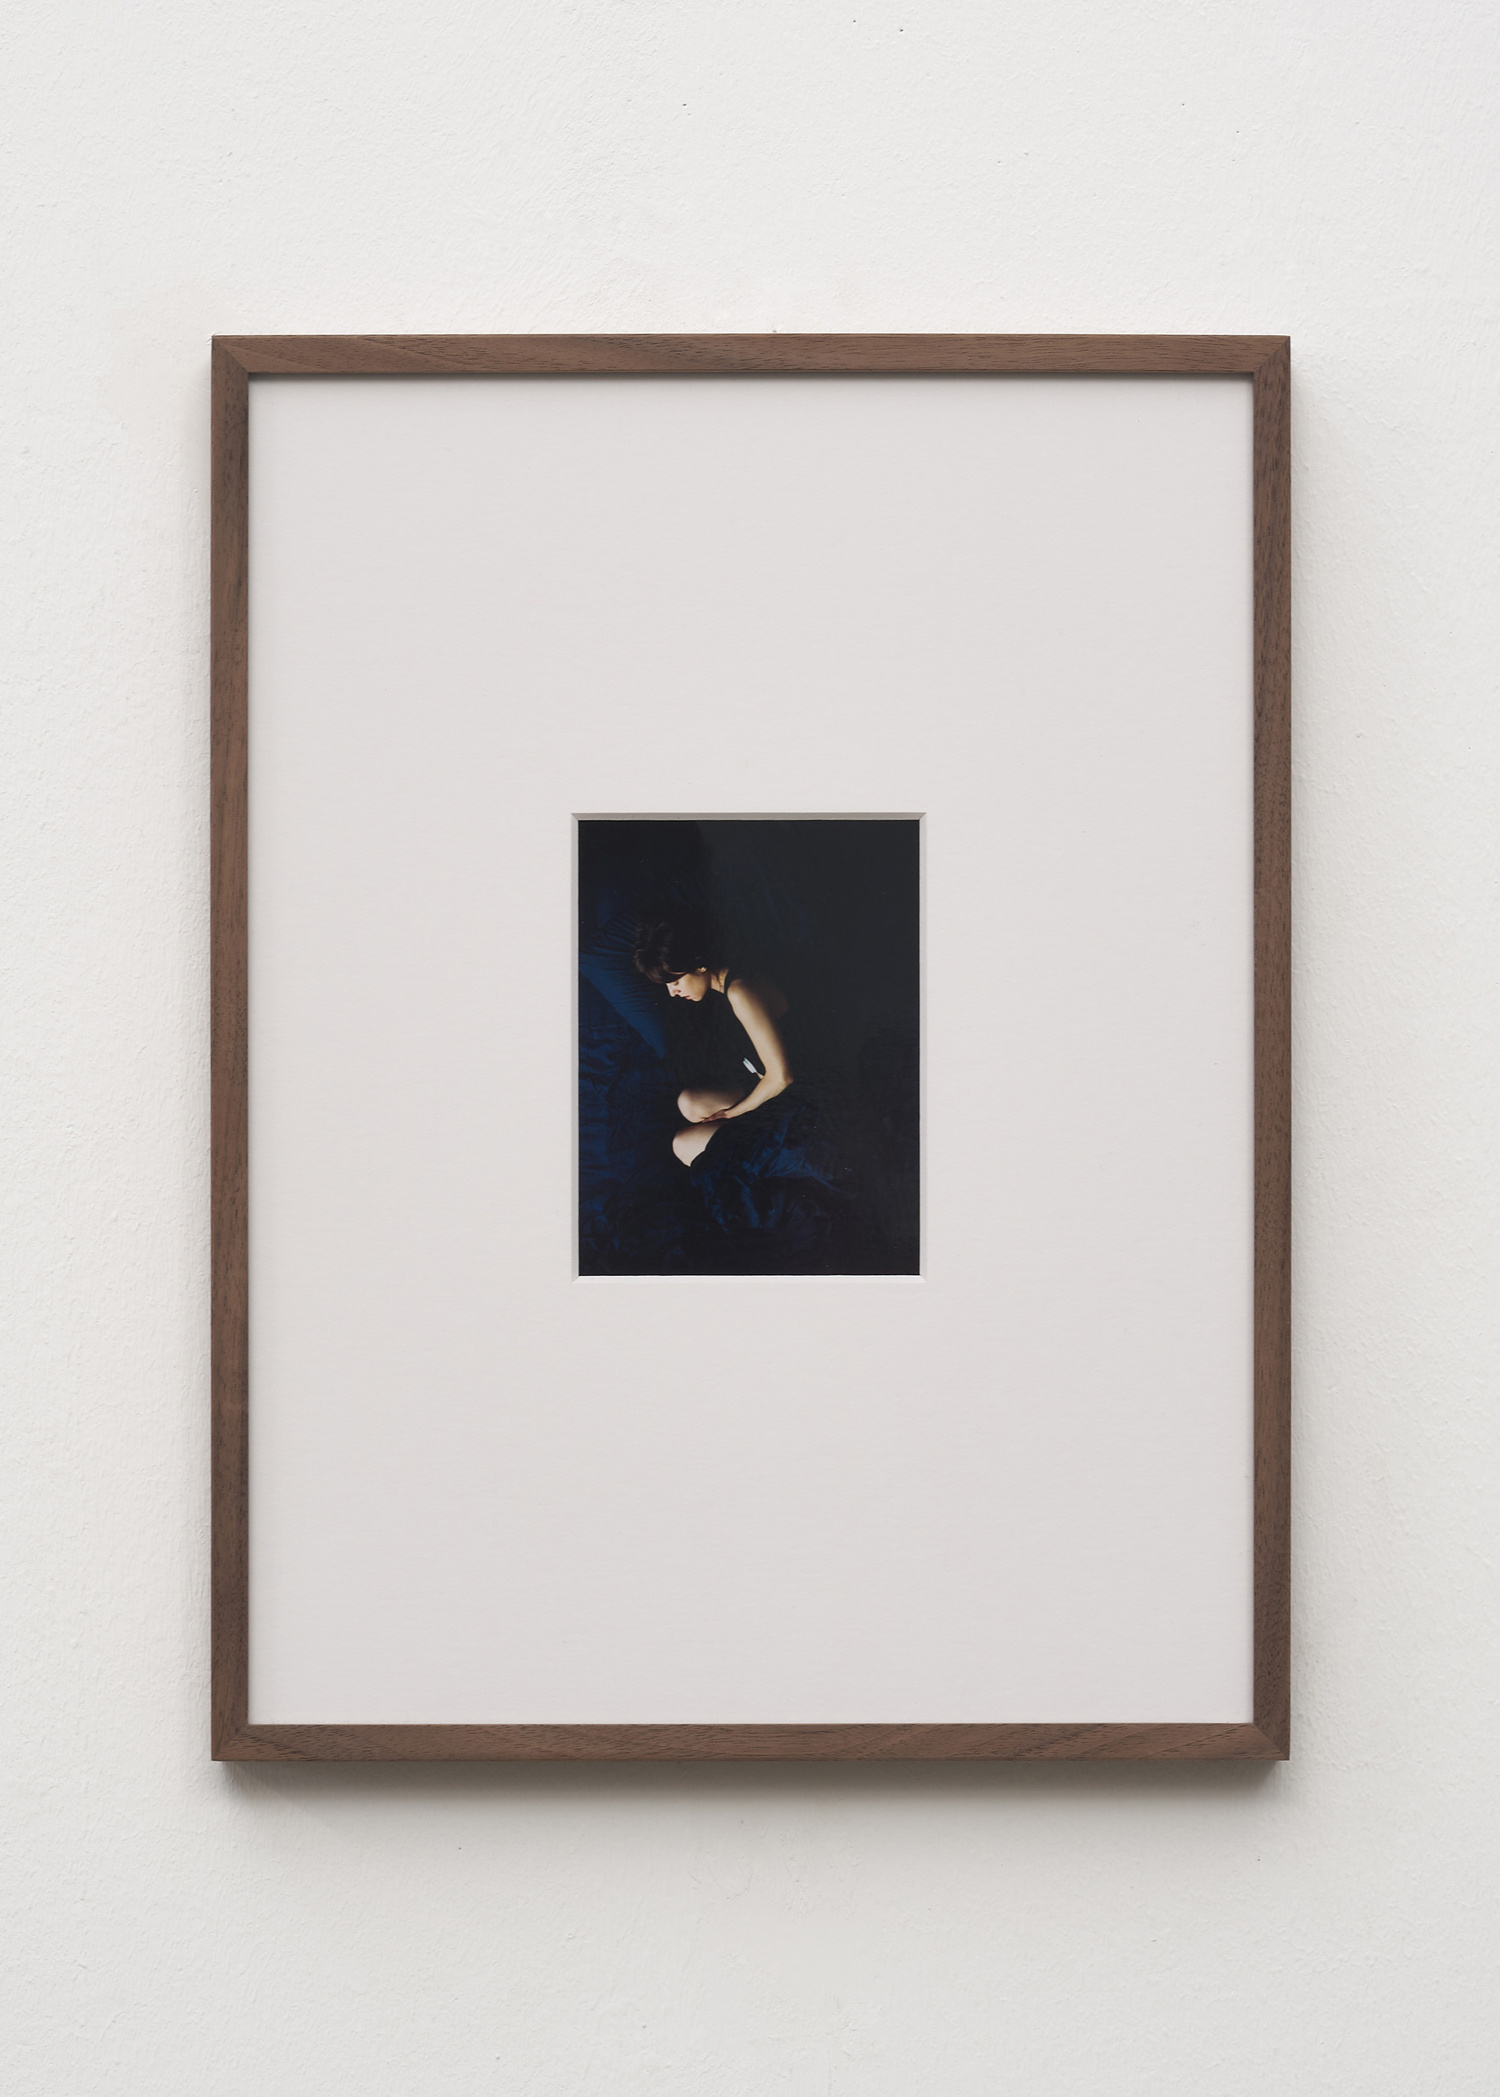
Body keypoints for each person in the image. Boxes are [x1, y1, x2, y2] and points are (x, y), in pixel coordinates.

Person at [632, 917, 794, 1167]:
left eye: (675, 982)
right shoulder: (723, 988)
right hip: (763, 1084)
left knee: (683, 1144)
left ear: (699, 964)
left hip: (791, 1095)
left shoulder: (740, 991)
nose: (672, 993)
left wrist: (732, 1113)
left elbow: (782, 1078)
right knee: (689, 1102)